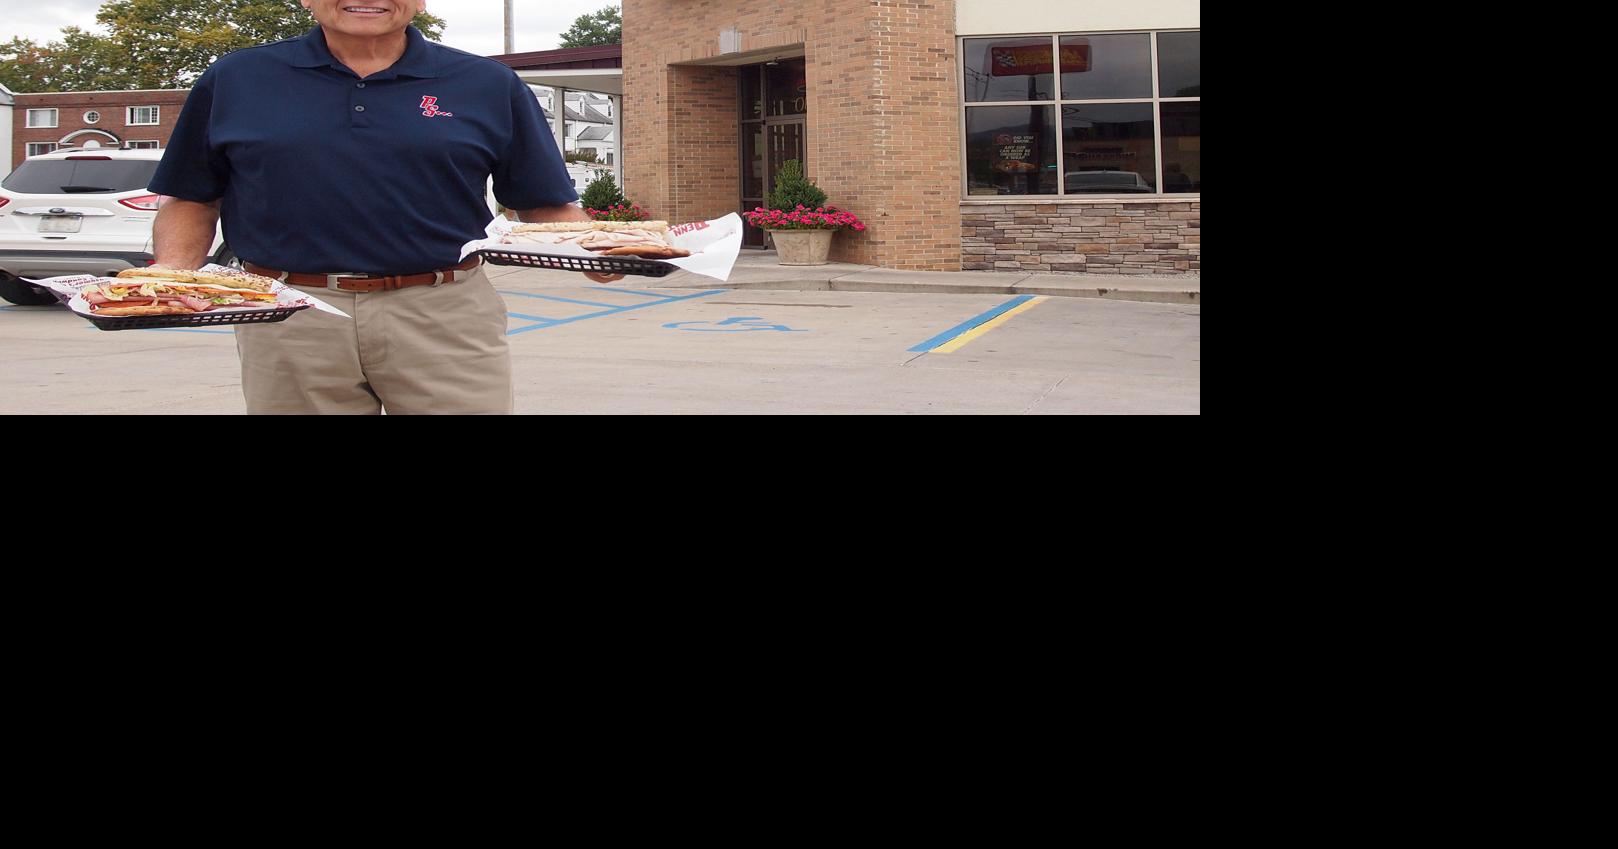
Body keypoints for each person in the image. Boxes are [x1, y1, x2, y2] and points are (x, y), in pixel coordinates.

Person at [148, 0, 620, 415]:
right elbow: (192, 195)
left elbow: (543, 203)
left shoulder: (487, 84)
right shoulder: (237, 78)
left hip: (444, 312)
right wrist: (169, 273)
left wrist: (601, 253)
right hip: (289, 315)